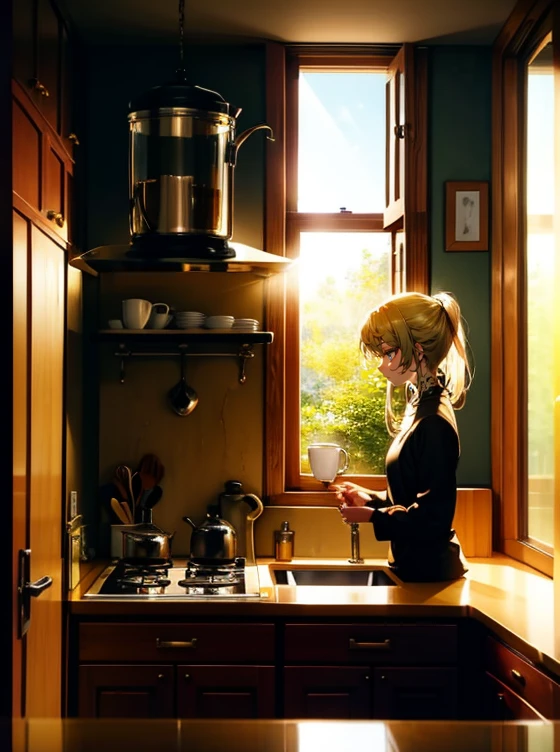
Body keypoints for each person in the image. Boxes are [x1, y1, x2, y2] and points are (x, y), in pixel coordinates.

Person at [334, 291, 472, 583]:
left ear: (418, 351)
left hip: (431, 575)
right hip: (414, 570)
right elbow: (411, 496)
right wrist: (370, 500)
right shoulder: (418, 405)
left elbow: (433, 521)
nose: (382, 364)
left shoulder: (433, 420)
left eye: (388, 353)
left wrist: (372, 517)